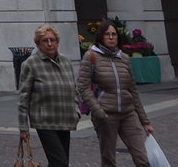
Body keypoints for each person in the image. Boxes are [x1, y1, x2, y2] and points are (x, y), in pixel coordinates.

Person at [77, 21, 153, 167]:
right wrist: (98, 111)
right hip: (106, 115)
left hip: (128, 113)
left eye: (114, 34)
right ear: (101, 37)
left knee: (142, 157)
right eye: (107, 34)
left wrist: (145, 121)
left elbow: (133, 90)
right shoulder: (91, 56)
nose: (111, 37)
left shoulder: (123, 58)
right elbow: (83, 87)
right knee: (108, 158)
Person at [17, 24, 78, 167]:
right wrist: (23, 127)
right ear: (38, 44)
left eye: (53, 40)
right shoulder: (30, 64)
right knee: (60, 162)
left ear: (58, 42)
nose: (50, 44)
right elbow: (23, 98)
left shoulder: (66, 62)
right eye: (45, 41)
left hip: (65, 119)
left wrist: (76, 111)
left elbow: (74, 89)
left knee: (60, 162)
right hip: (45, 121)